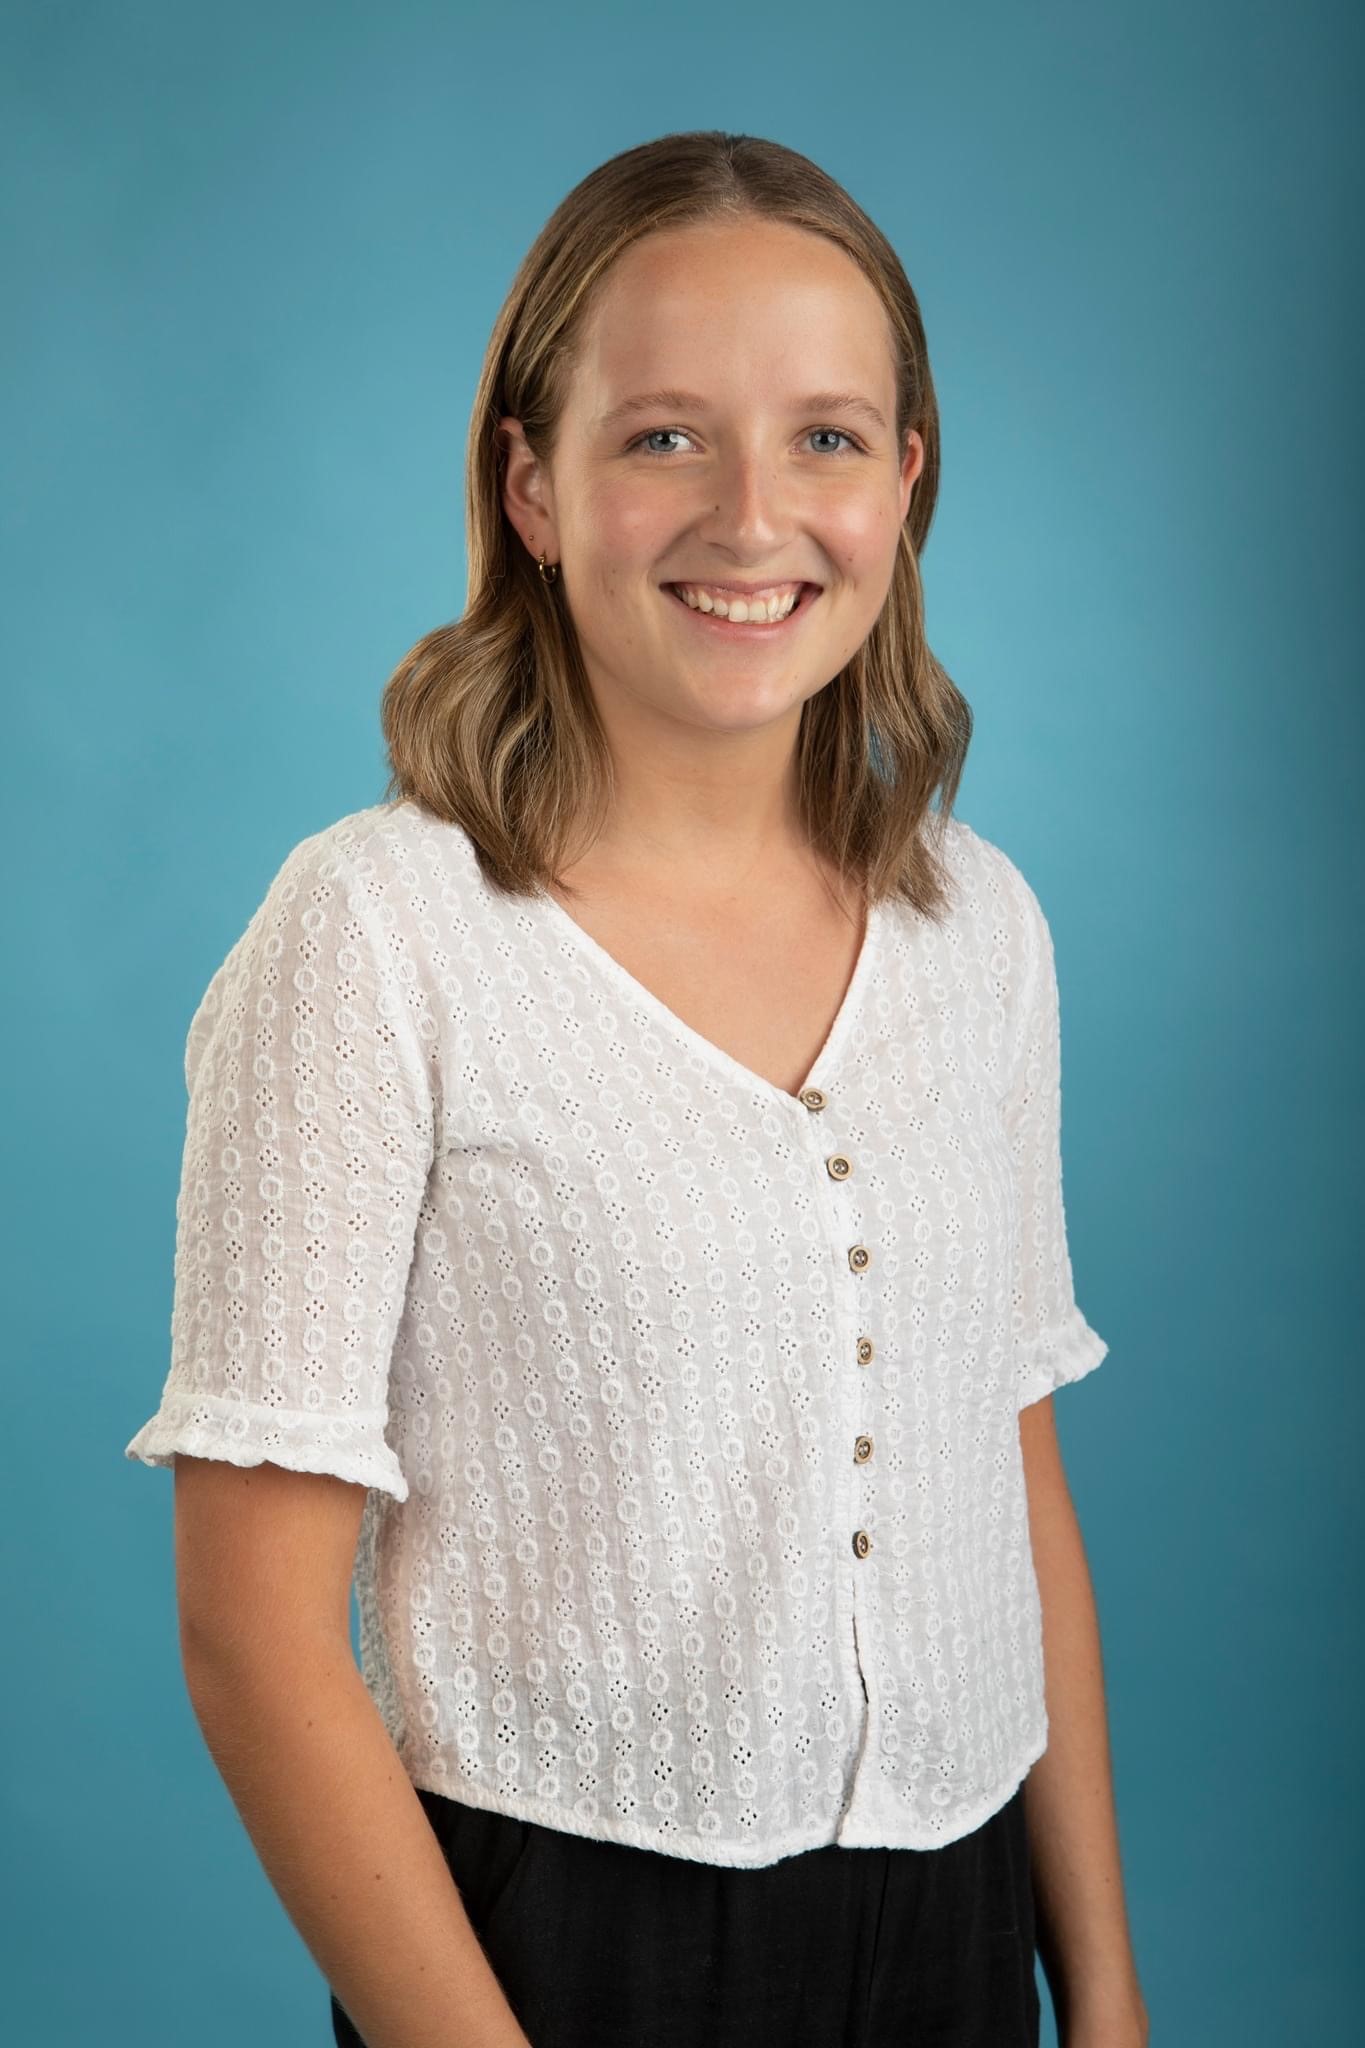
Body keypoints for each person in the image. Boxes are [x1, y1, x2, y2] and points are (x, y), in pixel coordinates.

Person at [124, 130, 1148, 2048]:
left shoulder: (977, 929)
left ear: (907, 482)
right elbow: (253, 1634)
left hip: (956, 1921)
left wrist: (1100, 1987)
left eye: (829, 438)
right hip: (543, 1958)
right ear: (532, 482)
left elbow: (1000, 1468)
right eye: (664, 435)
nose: (753, 517)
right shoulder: (374, 939)